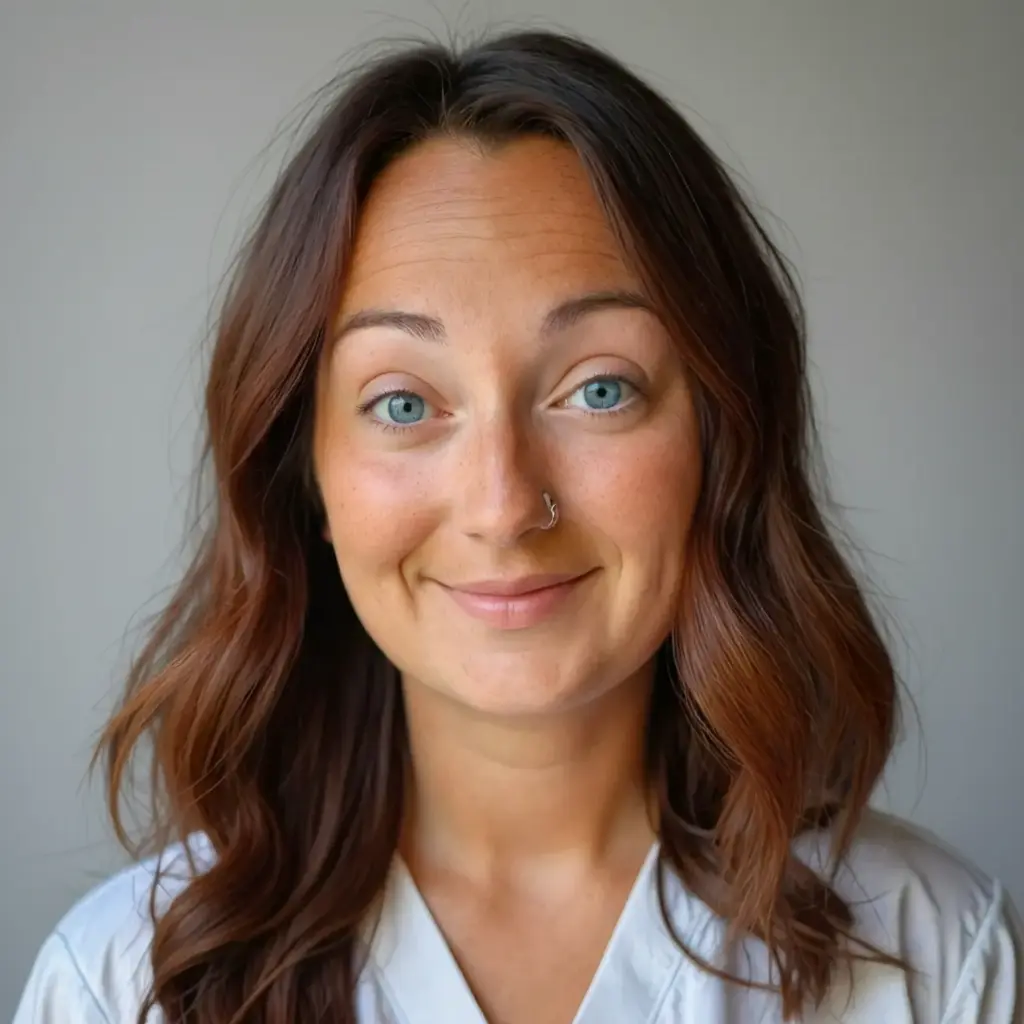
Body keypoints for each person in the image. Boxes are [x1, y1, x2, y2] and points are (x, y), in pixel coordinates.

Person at [11, 28, 1021, 1024]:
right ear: (304, 476)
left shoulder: (929, 960)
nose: (502, 506)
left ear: (723, 438)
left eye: (598, 389)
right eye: (404, 404)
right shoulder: (121, 987)